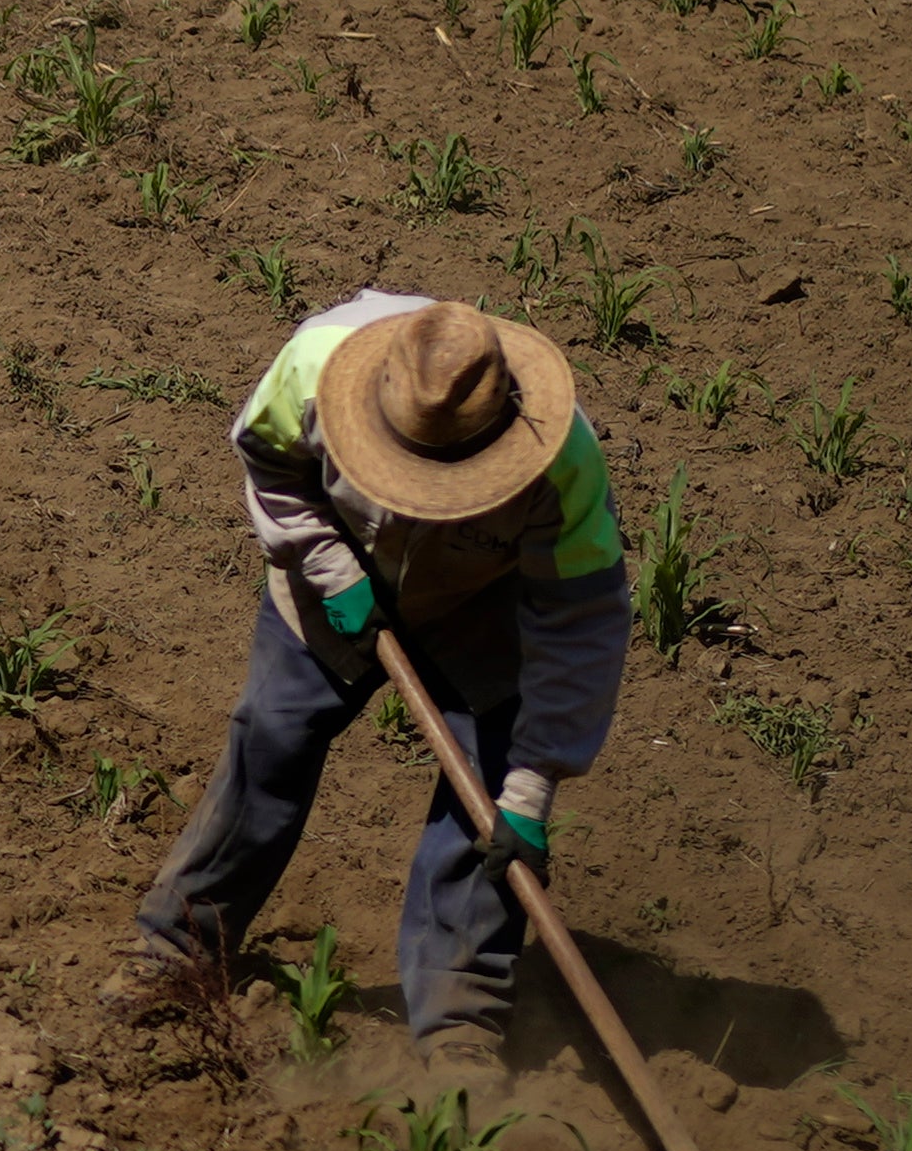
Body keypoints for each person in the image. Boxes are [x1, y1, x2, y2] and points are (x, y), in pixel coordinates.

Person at [127, 293, 631, 1070]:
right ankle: (179, 940)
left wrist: (532, 787)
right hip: (333, 566)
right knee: (272, 737)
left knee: (487, 809)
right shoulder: (316, 363)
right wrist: (329, 566)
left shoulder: (561, 458)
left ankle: (461, 1019)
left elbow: (581, 623)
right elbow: (270, 465)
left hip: (482, 607)